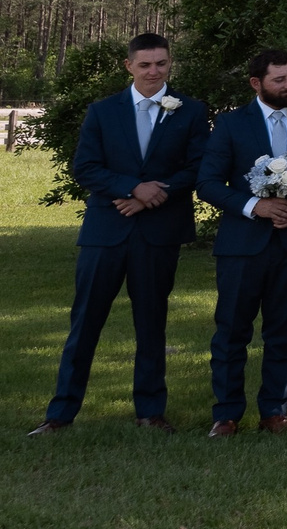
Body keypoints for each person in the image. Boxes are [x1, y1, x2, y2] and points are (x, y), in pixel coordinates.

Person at [33, 33, 205, 436]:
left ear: (169, 64)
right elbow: (86, 168)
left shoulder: (191, 111)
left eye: (161, 63)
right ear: (129, 66)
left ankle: (150, 411)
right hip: (105, 231)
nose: (153, 71)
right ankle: (60, 414)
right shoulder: (103, 111)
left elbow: (198, 168)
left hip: (157, 232)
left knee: (151, 322)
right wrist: (131, 188)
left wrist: (150, 196)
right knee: (85, 322)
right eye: (144, 64)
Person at [199, 49, 287, 437]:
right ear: (256, 83)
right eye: (280, 80)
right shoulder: (230, 124)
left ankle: (275, 411)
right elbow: (207, 182)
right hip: (242, 244)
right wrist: (254, 206)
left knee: (284, 330)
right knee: (231, 331)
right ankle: (226, 414)